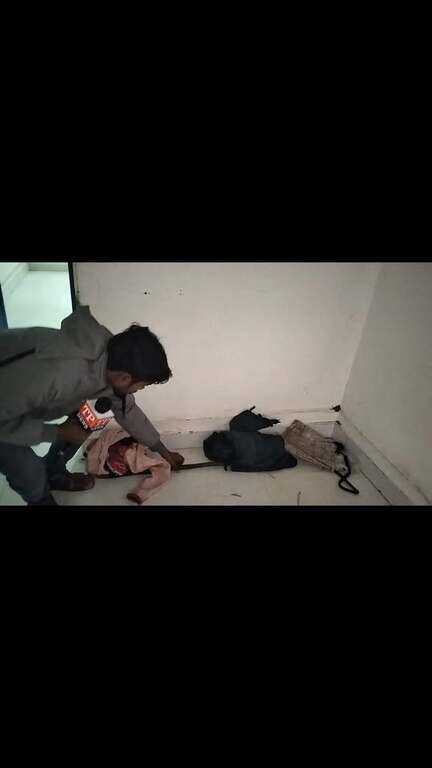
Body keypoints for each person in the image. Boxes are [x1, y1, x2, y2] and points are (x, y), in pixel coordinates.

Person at [0, 305, 184, 505]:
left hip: (18, 397)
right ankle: (40, 499)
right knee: (27, 469)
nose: (140, 389)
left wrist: (163, 451)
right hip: (7, 400)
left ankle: (53, 472)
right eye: (143, 385)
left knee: (88, 418)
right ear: (125, 378)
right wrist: (56, 432)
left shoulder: (110, 361)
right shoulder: (57, 374)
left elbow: (128, 411)